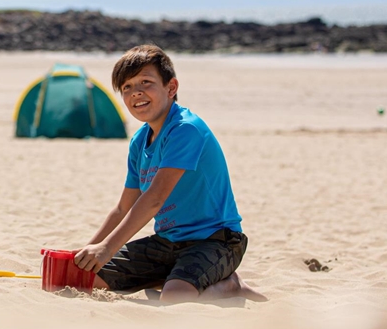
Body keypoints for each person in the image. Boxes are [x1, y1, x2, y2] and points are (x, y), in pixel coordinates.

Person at [74, 45, 266, 304]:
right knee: (86, 278)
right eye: (127, 87)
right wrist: (89, 252)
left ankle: (230, 284)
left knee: (175, 297)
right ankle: (172, 276)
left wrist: (108, 249)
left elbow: (154, 198)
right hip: (167, 242)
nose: (136, 92)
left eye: (146, 82)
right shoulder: (140, 140)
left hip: (216, 241)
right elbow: (122, 208)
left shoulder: (186, 130)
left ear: (171, 88)